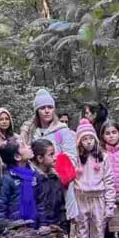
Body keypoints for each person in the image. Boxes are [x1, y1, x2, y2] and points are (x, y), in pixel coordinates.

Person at [20, 89, 79, 221]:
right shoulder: (30, 131)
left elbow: (72, 157)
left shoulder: (62, 130)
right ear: (37, 111)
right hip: (38, 182)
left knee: (61, 219)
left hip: (60, 182)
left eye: (50, 107)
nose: (47, 111)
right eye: (42, 108)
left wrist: (54, 168)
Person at [72, 120, 117, 238]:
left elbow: (109, 181)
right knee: (81, 232)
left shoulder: (103, 158)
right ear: (79, 142)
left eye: (91, 138)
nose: (88, 141)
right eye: (84, 139)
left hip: (99, 198)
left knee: (98, 230)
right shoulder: (75, 159)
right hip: (80, 197)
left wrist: (110, 205)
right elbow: (70, 182)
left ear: (95, 139)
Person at [0, 139, 38, 222]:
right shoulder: (7, 178)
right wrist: (0, 225)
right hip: (16, 223)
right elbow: (1, 205)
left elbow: (41, 200)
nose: (29, 147)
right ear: (17, 157)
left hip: (35, 220)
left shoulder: (35, 173)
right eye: (23, 146)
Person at [31, 139, 66, 232]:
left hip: (57, 225)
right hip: (39, 228)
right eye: (51, 155)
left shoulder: (55, 177)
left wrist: (63, 224)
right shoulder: (33, 180)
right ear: (40, 158)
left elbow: (61, 204)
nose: (55, 158)